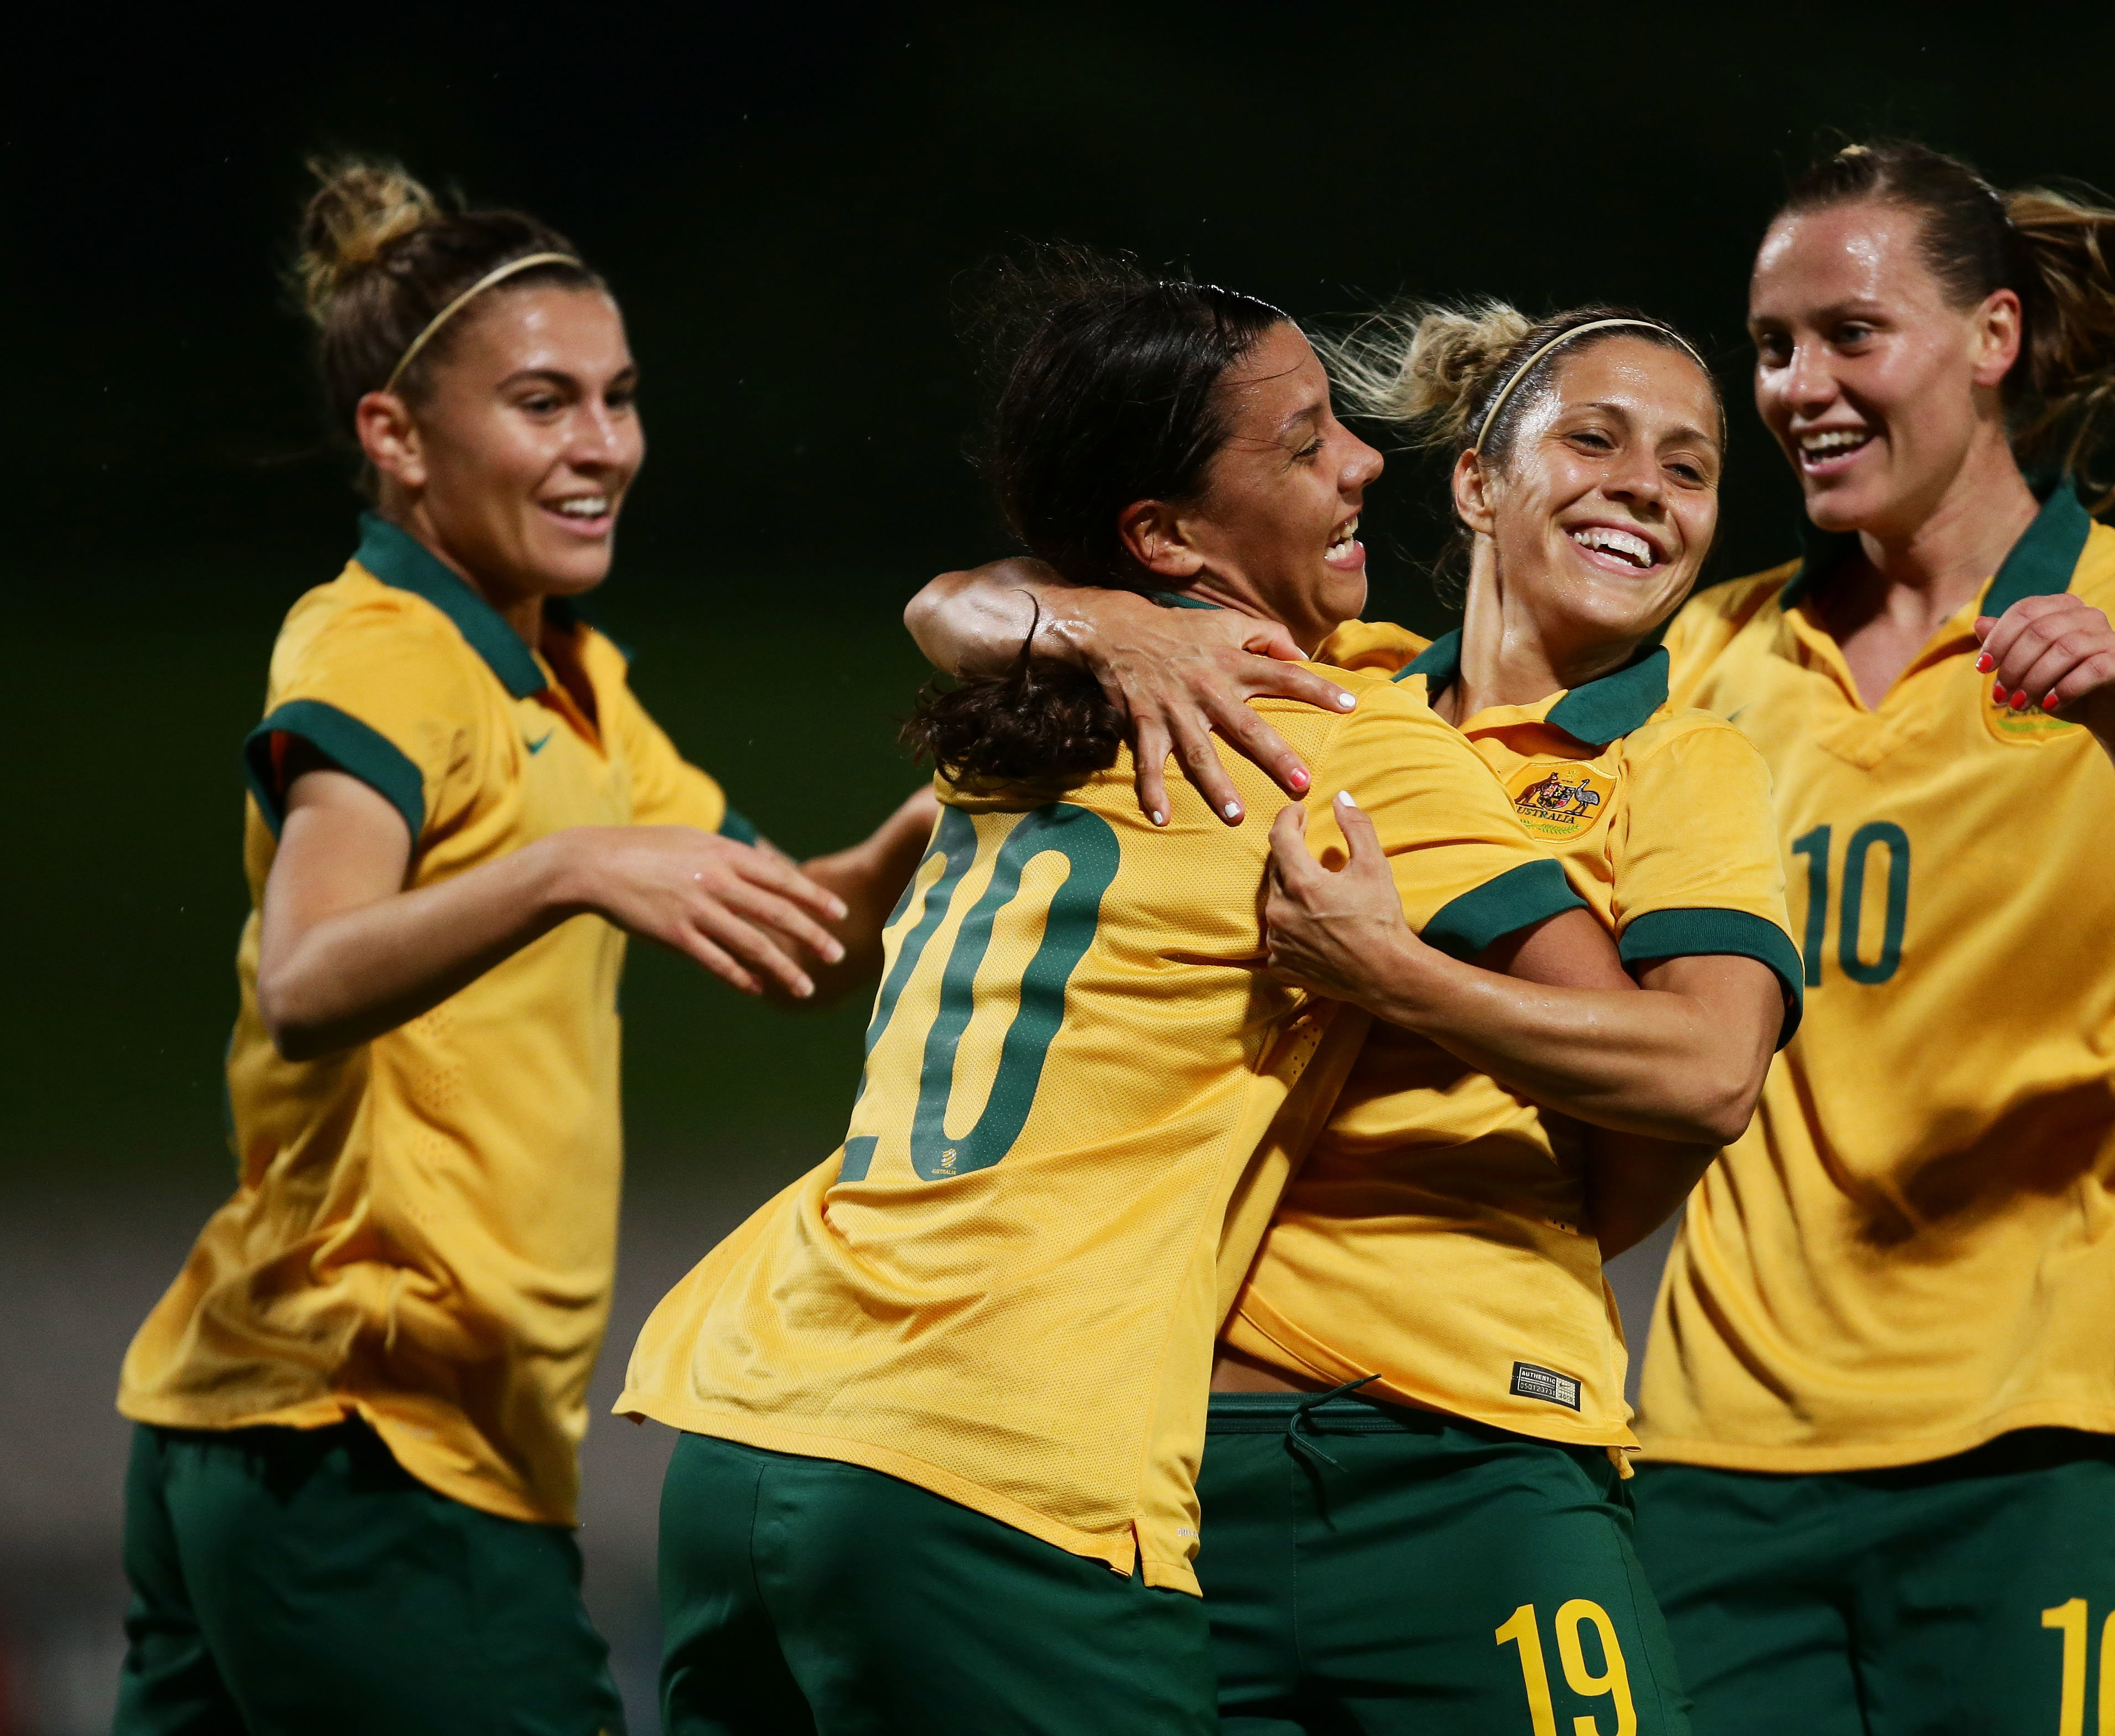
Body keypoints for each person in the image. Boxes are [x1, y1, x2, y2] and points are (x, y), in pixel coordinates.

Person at [618, 257, 1644, 1734]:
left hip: (741, 1445)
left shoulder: (1005, 733)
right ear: (1159, 534)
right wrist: (1395, 971)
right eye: (1303, 445)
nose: (1365, 460)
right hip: (994, 1468)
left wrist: (1058, 619)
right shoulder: (1336, 747)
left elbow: (883, 813)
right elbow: (1663, 1056)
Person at [111, 159, 925, 1736]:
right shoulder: (383, 654)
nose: (603, 447)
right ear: (396, 441)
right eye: (545, 403)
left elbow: (807, 937)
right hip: (364, 1447)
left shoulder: (572, 683)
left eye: (617, 399)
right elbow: (308, 975)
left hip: (265, 1426)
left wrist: (939, 818)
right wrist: (567, 865)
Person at [911, 300, 1801, 1734]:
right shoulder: (1320, 674)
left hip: (1473, 1441)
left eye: (1690, 467)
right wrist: (1110, 624)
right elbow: (952, 599)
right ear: (1471, 480)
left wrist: (1401, 981)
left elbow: (1697, 1083)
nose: (1645, 482)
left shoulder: (1683, 762)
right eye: (1593, 436)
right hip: (1172, 1444)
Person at [1627, 139, 2115, 1735]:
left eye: (1846, 334)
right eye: (1768, 347)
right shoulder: (1700, 658)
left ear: (1993, 339)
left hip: (2036, 1439)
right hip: (1717, 1451)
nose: (1796, 386)